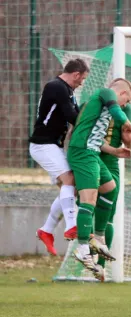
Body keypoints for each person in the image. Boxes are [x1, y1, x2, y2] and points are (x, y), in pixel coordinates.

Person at [67, 78, 131, 279]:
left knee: (110, 187)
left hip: (92, 152)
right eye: (126, 101)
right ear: (121, 94)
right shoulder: (105, 93)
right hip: (82, 153)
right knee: (89, 199)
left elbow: (94, 136)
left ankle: (97, 237)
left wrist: (115, 150)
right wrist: (127, 122)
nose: (125, 105)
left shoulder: (100, 104)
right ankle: (82, 248)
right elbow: (116, 111)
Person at [29, 59, 89, 255]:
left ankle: (46, 230)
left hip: (52, 145)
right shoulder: (56, 87)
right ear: (76, 74)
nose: (81, 83)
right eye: (82, 79)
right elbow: (73, 117)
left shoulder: (67, 90)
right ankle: (71, 226)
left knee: (68, 189)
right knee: (69, 179)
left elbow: (76, 114)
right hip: (42, 144)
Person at [93, 91, 131, 281]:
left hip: (111, 164)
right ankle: (86, 249)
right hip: (91, 159)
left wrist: (128, 138)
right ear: (123, 93)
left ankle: (100, 266)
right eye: (128, 97)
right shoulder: (93, 104)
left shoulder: (127, 110)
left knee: (109, 215)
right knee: (85, 207)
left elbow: (128, 140)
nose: (128, 102)